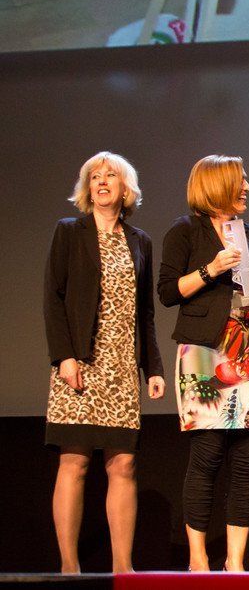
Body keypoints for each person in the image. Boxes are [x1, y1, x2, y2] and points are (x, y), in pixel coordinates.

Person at [43, 151, 165, 573]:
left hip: (122, 365)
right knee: (74, 461)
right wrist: (64, 356)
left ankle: (122, 569)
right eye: (94, 176)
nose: (101, 181)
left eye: (110, 175)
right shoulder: (69, 231)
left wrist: (153, 368)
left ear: (125, 188)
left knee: (124, 463)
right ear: (87, 188)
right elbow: (53, 297)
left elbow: (145, 312)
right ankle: (69, 567)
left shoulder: (139, 241)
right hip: (80, 363)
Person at [158, 155, 249, 572]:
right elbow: (167, 292)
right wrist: (210, 270)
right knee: (206, 457)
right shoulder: (185, 230)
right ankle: (198, 561)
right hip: (205, 354)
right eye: (241, 181)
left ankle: (235, 563)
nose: (247, 188)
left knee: (246, 463)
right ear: (217, 185)